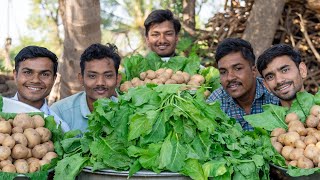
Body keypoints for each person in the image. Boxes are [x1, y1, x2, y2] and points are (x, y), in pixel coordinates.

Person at [207, 38, 279, 131]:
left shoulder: (274, 96)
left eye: (238, 68)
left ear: (253, 71)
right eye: (223, 72)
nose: (230, 77)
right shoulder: (216, 102)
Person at [50, 43, 122, 132]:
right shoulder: (60, 112)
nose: (100, 83)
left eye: (108, 76)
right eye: (92, 76)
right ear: (81, 79)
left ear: (118, 79)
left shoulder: (128, 110)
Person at [12, 46, 70, 132]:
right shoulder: (2, 110)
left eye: (44, 74)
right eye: (28, 72)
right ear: (15, 75)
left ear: (54, 79)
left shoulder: (60, 129)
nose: (35, 80)